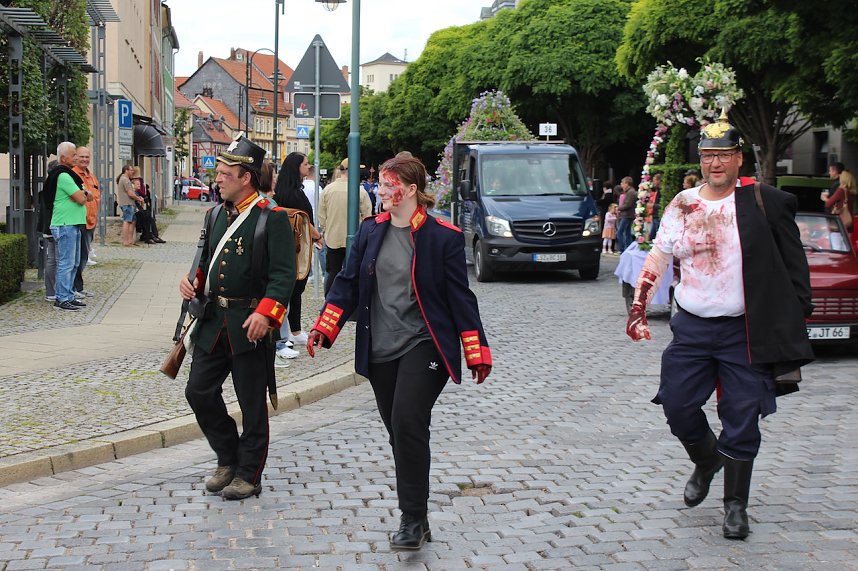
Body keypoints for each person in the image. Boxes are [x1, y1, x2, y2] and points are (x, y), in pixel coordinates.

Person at [625, 111, 814, 540]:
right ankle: (707, 459)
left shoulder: (762, 201)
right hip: (692, 328)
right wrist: (639, 304)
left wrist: (797, 311)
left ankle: (735, 506)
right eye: (710, 155)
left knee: (742, 416)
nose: (716, 163)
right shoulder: (683, 202)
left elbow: (793, 259)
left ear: (738, 159)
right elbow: (659, 253)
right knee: (676, 406)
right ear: (701, 161)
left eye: (725, 155)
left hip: (743, 330)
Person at [306, 155, 492, 551]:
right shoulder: (370, 231)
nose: (382, 191)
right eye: (382, 184)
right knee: (400, 432)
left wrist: (475, 350)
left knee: (407, 421)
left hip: (425, 343)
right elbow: (347, 283)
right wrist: (325, 326)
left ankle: (410, 520)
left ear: (409, 190)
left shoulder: (442, 235)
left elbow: (461, 297)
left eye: (389, 185)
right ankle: (420, 517)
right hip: (380, 347)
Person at [179, 135, 296, 500]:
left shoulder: (271, 218)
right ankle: (228, 457)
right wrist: (191, 282)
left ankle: (249, 473)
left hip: (250, 325)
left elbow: (283, 276)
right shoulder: (215, 213)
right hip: (213, 323)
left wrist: (268, 315)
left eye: (225, 173)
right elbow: (206, 261)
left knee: (251, 404)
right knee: (198, 392)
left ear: (245, 177)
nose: (218, 179)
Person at [272, 152, 322, 360]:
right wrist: (318, 236)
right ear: (296, 168)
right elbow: (302, 220)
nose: (308, 166)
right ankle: (284, 336)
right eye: (305, 164)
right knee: (293, 287)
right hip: (296, 245)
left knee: (297, 288)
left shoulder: (289, 190)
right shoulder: (292, 193)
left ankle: (293, 330)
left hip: (295, 244)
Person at [317, 158, 373, 294]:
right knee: (352, 273)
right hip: (355, 240)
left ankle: (329, 304)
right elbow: (368, 216)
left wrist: (328, 227)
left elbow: (321, 216)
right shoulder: (361, 192)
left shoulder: (328, 190)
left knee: (332, 272)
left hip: (333, 238)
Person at [47, 142, 89, 311]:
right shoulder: (63, 176)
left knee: (74, 262)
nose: (77, 158)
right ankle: (62, 298)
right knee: (66, 262)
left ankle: (69, 295)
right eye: (73, 155)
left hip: (73, 223)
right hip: (65, 224)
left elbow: (88, 195)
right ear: (64, 158)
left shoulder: (70, 175)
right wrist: (83, 194)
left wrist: (83, 194)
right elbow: (81, 197)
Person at [72, 147, 100, 297]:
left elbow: (96, 197)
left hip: (90, 221)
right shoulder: (73, 174)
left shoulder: (91, 176)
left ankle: (78, 287)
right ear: (75, 157)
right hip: (78, 221)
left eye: (87, 157)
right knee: (75, 258)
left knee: (83, 257)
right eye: (81, 156)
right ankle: (74, 288)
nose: (84, 159)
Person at [116, 165, 144, 247]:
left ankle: (130, 240)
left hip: (129, 203)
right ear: (126, 170)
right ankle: (126, 241)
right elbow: (130, 193)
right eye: (131, 170)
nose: (132, 172)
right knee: (127, 221)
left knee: (132, 221)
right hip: (127, 203)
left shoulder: (125, 179)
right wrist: (138, 198)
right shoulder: (125, 180)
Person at [616, 176, 637, 253]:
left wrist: (619, 208)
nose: (622, 185)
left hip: (627, 215)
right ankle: (628, 248)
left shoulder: (630, 192)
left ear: (627, 184)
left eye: (623, 183)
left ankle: (622, 249)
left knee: (620, 232)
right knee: (627, 233)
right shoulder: (630, 191)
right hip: (629, 215)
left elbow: (628, 204)